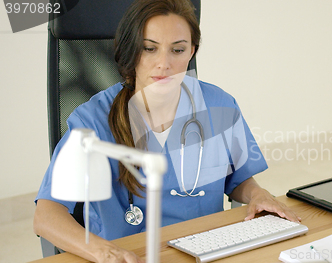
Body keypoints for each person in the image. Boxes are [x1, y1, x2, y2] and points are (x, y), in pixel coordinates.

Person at [33, 0, 299, 262]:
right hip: (131, 256)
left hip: (206, 249)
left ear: (192, 51)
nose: (164, 64)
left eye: (178, 50)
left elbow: (237, 179)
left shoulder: (219, 105)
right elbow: (47, 215)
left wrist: (257, 194)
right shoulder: (93, 120)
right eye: (150, 49)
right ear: (131, 51)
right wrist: (104, 251)